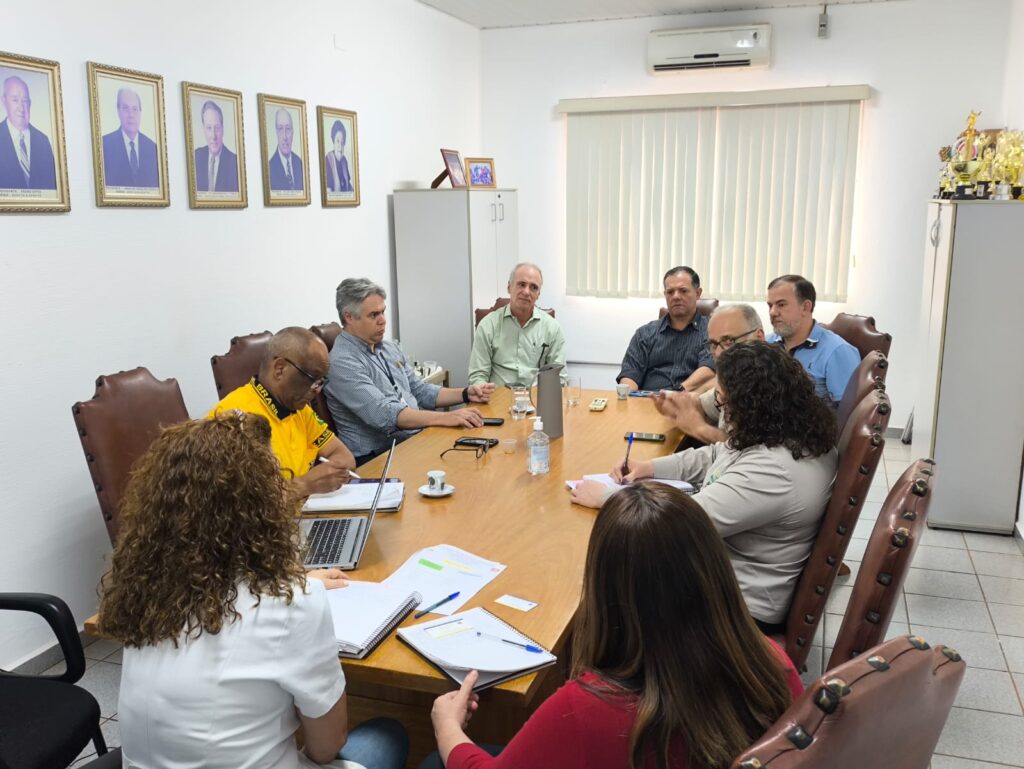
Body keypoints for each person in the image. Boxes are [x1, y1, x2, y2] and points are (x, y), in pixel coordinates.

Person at [98, 413, 409, 769]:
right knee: (387, 736)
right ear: (262, 509)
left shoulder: (148, 591)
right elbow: (326, 747)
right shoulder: (295, 604)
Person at [421, 482, 803, 769]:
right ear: (714, 570)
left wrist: (447, 726)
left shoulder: (584, 710)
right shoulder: (772, 665)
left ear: (603, 589)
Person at [572, 342, 838, 633]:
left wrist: (609, 497)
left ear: (751, 403)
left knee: (605, 574)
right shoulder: (787, 431)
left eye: (721, 401)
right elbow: (717, 453)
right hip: (721, 572)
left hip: (738, 608)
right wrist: (649, 467)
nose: (719, 410)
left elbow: (681, 524)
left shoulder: (773, 470)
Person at [326, 278, 496, 465]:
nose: (383, 320)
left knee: (481, 452)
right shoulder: (342, 362)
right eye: (373, 315)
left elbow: (419, 390)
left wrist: (465, 393)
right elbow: (384, 415)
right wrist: (447, 417)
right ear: (349, 317)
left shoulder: (388, 348)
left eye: (383, 312)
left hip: (412, 440)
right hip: (378, 457)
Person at [207, 327, 356, 500]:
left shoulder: (300, 409)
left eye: (321, 381)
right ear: (280, 369)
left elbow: (344, 456)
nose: (317, 390)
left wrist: (329, 474)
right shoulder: (232, 419)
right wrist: (305, 485)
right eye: (312, 379)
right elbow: (241, 504)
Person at [654, 303, 765, 446]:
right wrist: (678, 405)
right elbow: (705, 404)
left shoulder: (772, 382)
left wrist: (699, 429)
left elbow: (749, 450)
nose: (718, 353)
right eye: (713, 344)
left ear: (759, 337)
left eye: (729, 341)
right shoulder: (735, 377)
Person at [766, 274, 860, 407]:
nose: (772, 312)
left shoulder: (837, 351)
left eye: (781, 305)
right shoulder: (765, 344)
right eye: (770, 306)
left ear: (806, 307)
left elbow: (848, 413)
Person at [617, 266, 715, 393]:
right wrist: (628, 397)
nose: (676, 296)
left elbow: (709, 367)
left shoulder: (712, 330)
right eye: (670, 292)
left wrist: (676, 393)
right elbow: (630, 373)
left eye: (683, 291)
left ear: (697, 293)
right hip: (648, 400)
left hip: (690, 399)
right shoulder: (645, 333)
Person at [468, 263, 567, 387]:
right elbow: (478, 376)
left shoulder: (552, 328)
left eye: (533, 287)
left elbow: (559, 378)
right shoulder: (488, 325)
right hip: (497, 395)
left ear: (538, 294)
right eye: (521, 284)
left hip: (536, 396)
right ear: (509, 287)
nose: (526, 292)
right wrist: (481, 389)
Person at [0, 75, 56, 190]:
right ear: (4, 101)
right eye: (15, 100)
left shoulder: (43, 141)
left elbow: (53, 188)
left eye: (25, 101)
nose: (21, 108)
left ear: (30, 104)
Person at [101, 87, 160, 188]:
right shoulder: (104, 145)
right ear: (118, 111)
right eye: (125, 108)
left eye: (135, 109)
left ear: (140, 112)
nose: (131, 115)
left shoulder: (152, 148)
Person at [193, 99, 239, 193]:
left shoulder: (235, 163)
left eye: (217, 128)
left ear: (223, 129)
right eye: (209, 128)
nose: (213, 136)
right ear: (204, 130)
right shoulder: (195, 157)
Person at [269, 107, 304, 191]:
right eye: (280, 129)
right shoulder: (269, 168)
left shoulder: (300, 163)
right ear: (276, 132)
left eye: (288, 129)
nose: (284, 137)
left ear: (292, 132)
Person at [325, 119, 352, 193]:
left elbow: (348, 185)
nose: (340, 146)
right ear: (333, 141)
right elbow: (328, 191)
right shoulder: (327, 160)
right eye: (337, 141)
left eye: (342, 142)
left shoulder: (344, 160)